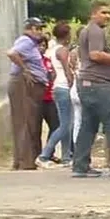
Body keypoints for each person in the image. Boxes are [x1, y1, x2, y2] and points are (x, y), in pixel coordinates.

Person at [72, 2, 110, 178]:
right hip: (97, 84)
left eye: (109, 13)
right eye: (103, 12)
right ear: (93, 14)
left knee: (88, 125)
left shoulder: (87, 30)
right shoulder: (95, 31)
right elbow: (95, 55)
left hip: (86, 83)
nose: (107, 16)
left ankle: (80, 165)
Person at [6, 17, 49, 170]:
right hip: (23, 84)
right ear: (29, 29)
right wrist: (25, 69)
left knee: (28, 120)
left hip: (29, 84)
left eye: (40, 29)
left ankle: (23, 160)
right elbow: (11, 53)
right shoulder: (25, 41)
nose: (39, 32)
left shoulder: (30, 44)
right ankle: (25, 161)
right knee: (24, 121)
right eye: (36, 29)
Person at [38, 22, 75, 168]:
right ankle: (44, 155)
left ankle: (66, 156)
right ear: (66, 35)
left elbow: (53, 72)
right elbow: (67, 71)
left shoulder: (53, 50)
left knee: (67, 123)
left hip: (58, 87)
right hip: (65, 87)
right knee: (65, 125)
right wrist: (72, 82)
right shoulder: (63, 51)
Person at [36, 36, 60, 160]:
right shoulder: (33, 62)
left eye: (44, 46)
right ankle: (38, 154)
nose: (41, 48)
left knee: (55, 125)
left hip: (50, 98)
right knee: (36, 127)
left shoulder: (47, 60)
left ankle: (49, 152)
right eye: (39, 45)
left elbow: (53, 74)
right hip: (38, 98)